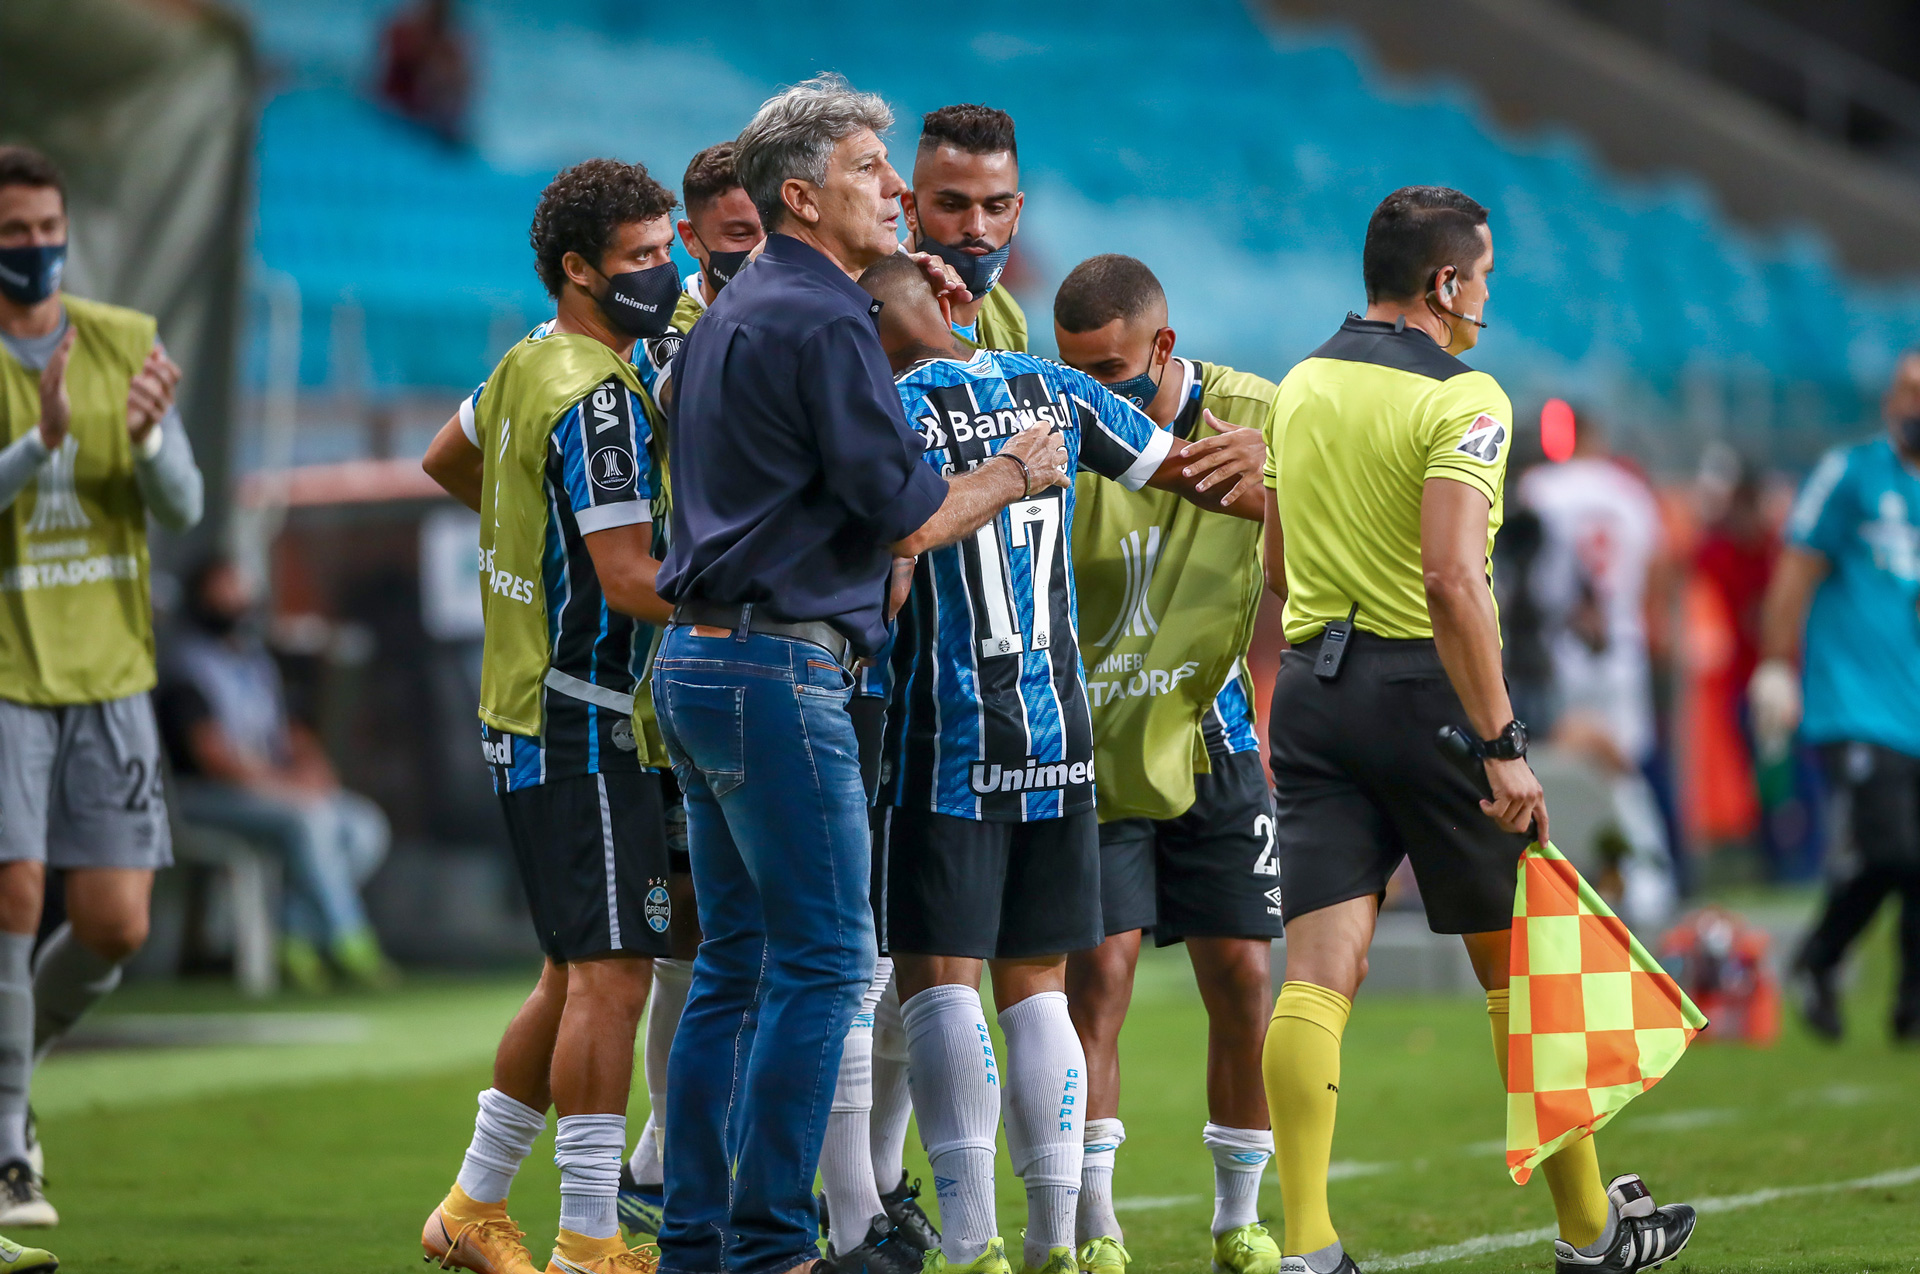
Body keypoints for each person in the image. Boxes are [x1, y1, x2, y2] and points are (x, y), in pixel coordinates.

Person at [649, 74, 1064, 1274]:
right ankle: (774, 1241)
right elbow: (905, 508)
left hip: (704, 658)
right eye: (871, 174)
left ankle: (696, 1239)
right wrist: (1014, 472)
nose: (895, 191)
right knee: (829, 960)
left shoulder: (738, 303)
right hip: (780, 669)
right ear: (801, 194)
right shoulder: (826, 316)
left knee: (734, 964)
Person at [1258, 187, 1695, 1274]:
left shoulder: (1300, 382)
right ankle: (1594, 1231)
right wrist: (1503, 742)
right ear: (1446, 284)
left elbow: (1275, 567)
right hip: (1429, 700)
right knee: (1526, 973)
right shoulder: (1468, 400)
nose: (1487, 298)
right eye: (1484, 278)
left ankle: (1308, 1244)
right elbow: (1455, 578)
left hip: (1313, 691)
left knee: (1317, 971)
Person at [856, 250, 1264, 1274]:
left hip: (945, 732)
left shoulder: (886, 416)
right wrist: (1276, 470)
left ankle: (971, 1239)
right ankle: (1053, 1237)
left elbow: (888, 581)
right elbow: (1188, 474)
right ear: (950, 302)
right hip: (1060, 737)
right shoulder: (1058, 388)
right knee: (1037, 984)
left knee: (942, 979)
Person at [418, 157, 683, 1274]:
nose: (664, 274)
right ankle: (588, 1234)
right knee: (615, 973)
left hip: (526, 703)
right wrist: (773, 588)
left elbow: (444, 461)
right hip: (589, 713)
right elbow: (629, 579)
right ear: (579, 270)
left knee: (575, 971)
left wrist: (527, 543)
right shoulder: (601, 396)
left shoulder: (531, 359)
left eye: (666, 250)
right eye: (641, 259)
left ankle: (472, 1207)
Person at [1049, 254, 1282, 1274]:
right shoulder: (1047, 419)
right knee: (1095, 979)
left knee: (1242, 977)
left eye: (1116, 374)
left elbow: (1327, 540)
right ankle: (1094, 1221)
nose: (1098, 397)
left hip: (1212, 724)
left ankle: (1241, 1218)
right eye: (1075, 372)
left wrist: (1275, 487)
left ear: (1166, 348)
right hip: (1092, 740)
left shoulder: (1257, 414)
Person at [0, 144, 203, 1227]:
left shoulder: (122, 339)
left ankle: (7, 1068)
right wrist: (39, 447)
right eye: (14, 231)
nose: (33, 247)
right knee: (16, 889)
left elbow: (183, 505)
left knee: (116, 922)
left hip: (113, 671)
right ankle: (6, 1154)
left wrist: (152, 435)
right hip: (7, 671)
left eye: (45, 228)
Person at [1752, 349, 1920, 1043]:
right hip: (1853, 700)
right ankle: (1818, 959)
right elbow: (1797, 569)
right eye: (1909, 391)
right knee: (1894, 853)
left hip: (1911, 703)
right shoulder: (1848, 473)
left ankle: (1910, 1006)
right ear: (1889, 400)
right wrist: (1775, 665)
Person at [156, 556, 395, 991]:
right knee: (309, 821)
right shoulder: (184, 668)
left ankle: (293, 934)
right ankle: (350, 943)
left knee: (363, 826)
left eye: (240, 591)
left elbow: (293, 735)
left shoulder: (255, 663)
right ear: (200, 600)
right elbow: (214, 757)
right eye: (223, 592)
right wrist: (286, 790)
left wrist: (314, 774)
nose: (237, 602)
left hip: (270, 792)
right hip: (203, 798)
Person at [1517, 412, 1679, 930]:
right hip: (1619, 650)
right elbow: (1659, 574)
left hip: (1555, 653)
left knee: (1553, 772)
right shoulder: (1629, 491)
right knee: (1623, 773)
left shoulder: (1540, 488)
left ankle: (1575, 887)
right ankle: (1648, 887)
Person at [903, 104, 1027, 352]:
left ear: (1017, 213)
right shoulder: (868, 310)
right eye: (951, 205)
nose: (976, 228)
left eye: (996, 208)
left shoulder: (1010, 318)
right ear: (911, 211)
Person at [377, 0, 471, 144]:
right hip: (394, 110)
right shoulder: (403, 34)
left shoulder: (448, 52)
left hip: (416, 118)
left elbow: (458, 96)